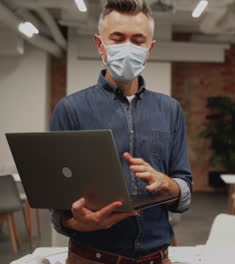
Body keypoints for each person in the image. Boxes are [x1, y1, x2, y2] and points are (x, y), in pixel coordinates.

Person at [50, 1, 192, 263]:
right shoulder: (70, 109)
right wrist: (81, 223)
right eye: (118, 39)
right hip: (91, 258)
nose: (128, 47)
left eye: (138, 40)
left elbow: (184, 186)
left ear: (149, 49)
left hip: (157, 258)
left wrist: (169, 185)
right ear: (100, 44)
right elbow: (58, 206)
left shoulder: (170, 110)